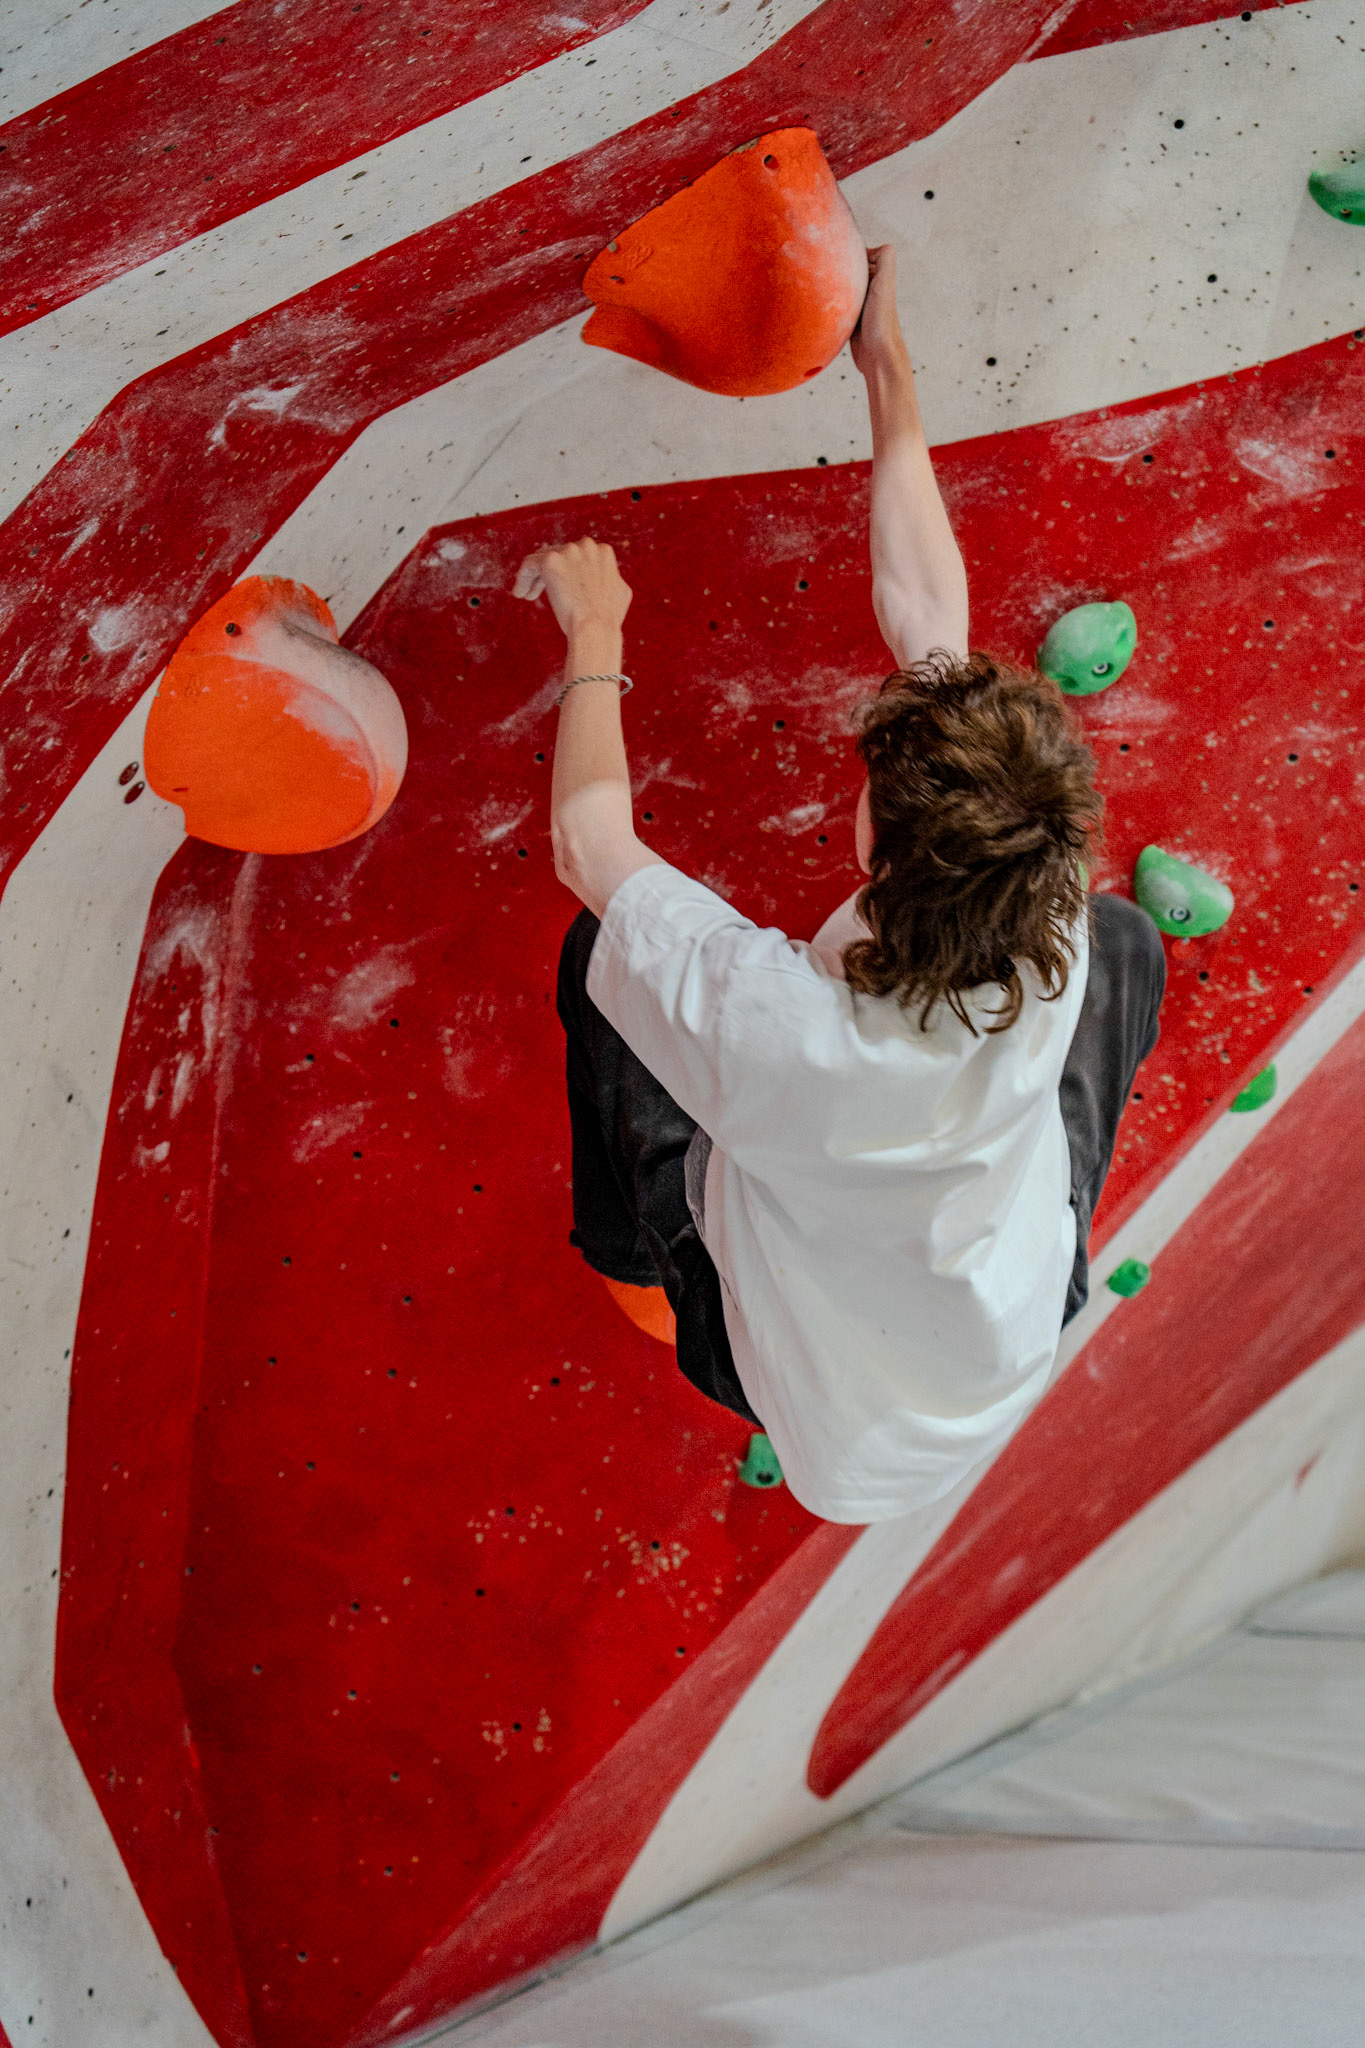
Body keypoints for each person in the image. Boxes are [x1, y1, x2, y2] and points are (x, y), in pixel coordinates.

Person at [514, 246, 1165, 1525]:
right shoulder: (1040, 879)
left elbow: (589, 845)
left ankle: (632, 1251)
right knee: (1126, 939)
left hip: (821, 1410)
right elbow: (931, 618)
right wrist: (887, 368)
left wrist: (596, 631)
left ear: (877, 847)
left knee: (600, 965)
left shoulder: (778, 1031)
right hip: (1005, 1330)